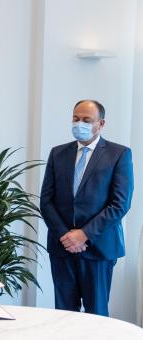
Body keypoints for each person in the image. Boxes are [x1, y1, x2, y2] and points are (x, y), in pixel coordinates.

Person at [40, 99, 134, 316]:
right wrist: (66, 235)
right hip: (62, 247)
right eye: (76, 118)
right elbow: (46, 200)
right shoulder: (57, 153)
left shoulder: (119, 154)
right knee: (63, 314)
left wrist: (84, 234)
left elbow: (120, 203)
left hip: (99, 248)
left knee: (97, 314)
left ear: (101, 124)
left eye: (86, 120)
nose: (79, 123)